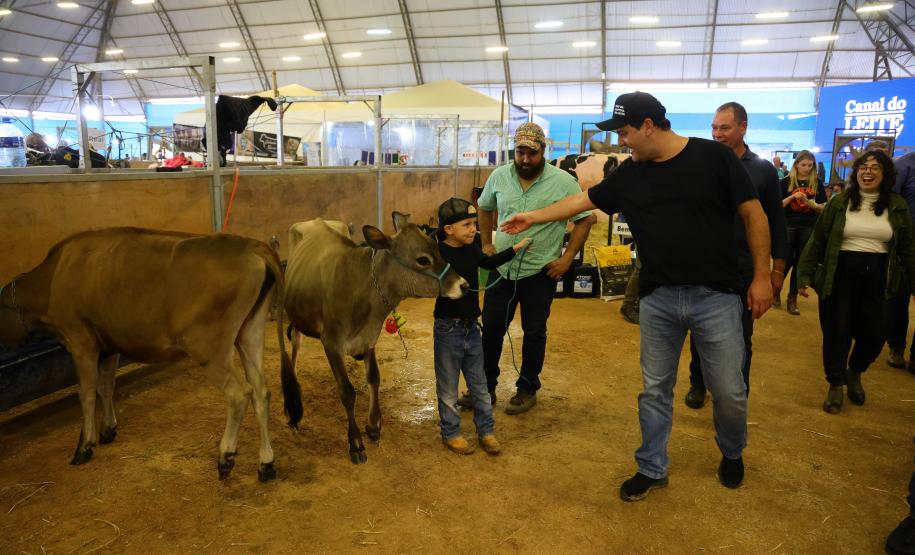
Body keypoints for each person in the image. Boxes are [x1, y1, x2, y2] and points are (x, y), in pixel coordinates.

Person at [500, 92, 773, 501]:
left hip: (715, 296)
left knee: (730, 390)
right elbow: (583, 201)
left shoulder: (714, 158)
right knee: (655, 389)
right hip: (659, 298)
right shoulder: (632, 174)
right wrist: (532, 216)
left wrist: (764, 276)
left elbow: (755, 214)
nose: (622, 141)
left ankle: (732, 451)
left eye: (625, 132)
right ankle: (651, 466)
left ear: (649, 125)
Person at [465, 122, 594, 416]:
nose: (524, 159)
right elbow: (484, 207)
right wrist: (486, 244)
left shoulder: (563, 182)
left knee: (534, 331)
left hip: (540, 272)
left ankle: (526, 389)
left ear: (543, 151)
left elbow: (585, 219)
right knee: (492, 330)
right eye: (520, 152)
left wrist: (567, 258)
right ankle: (484, 388)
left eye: (531, 153)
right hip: (503, 269)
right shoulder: (499, 176)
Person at [684, 102, 790, 409]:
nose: (717, 134)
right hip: (704, 266)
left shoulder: (763, 171)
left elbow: (776, 223)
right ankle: (698, 382)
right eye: (714, 128)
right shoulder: (703, 165)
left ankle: (736, 392)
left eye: (725, 128)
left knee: (741, 337)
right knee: (700, 330)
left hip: (745, 269)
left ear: (743, 127)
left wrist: (776, 271)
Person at [797, 150, 915, 414]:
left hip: (880, 279)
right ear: (856, 172)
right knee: (837, 332)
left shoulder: (897, 205)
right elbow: (818, 240)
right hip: (839, 275)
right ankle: (836, 383)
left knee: (875, 334)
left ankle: (855, 371)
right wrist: (803, 276)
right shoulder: (840, 202)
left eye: (875, 167)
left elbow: (908, 248)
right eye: (863, 167)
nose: (868, 172)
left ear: (886, 175)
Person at [432, 197, 531, 455]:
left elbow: (487, 263)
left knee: (480, 385)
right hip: (447, 329)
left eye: (474, 223)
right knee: (447, 389)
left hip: (472, 328)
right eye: (466, 224)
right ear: (448, 229)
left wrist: (515, 249)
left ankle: (486, 431)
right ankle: (451, 433)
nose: (473, 229)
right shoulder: (437, 254)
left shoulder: (472, 247)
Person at [780, 150, 826, 315]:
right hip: (788, 226)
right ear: (796, 165)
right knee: (785, 261)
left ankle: (792, 299)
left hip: (808, 226)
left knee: (800, 263)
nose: (807, 168)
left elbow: (823, 208)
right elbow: (777, 205)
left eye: (810, 165)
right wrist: (792, 198)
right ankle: (775, 291)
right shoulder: (785, 182)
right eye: (803, 164)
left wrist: (810, 203)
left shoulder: (817, 183)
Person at [886, 150, 915, 371]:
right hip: (905, 242)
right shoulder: (904, 165)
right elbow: (890, 203)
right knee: (899, 296)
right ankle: (896, 347)